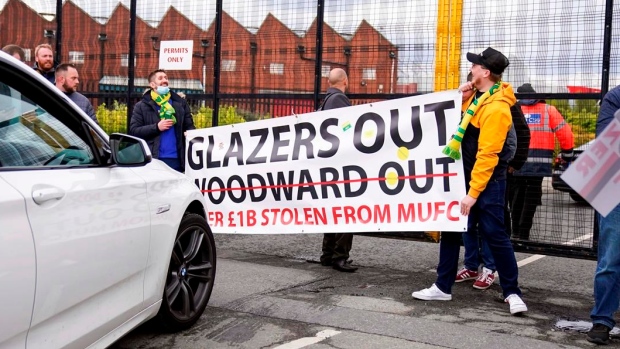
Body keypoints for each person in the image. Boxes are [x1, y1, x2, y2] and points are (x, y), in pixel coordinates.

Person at [412, 47, 527, 315]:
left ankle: (512, 293)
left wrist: (473, 193)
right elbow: (460, 122)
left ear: (485, 72)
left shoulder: (497, 107)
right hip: (464, 177)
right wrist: (461, 95)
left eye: (475, 66)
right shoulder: (477, 98)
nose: (471, 69)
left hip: (487, 182)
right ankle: (442, 287)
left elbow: (488, 154)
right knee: (451, 230)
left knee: (495, 235)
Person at [456, 73, 531, 290]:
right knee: (467, 223)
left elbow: (515, 136)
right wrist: (461, 98)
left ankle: (490, 268)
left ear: (485, 75)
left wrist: (511, 163)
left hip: (492, 175)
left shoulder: (501, 103)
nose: (470, 79)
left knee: (491, 227)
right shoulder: (469, 101)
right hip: (467, 173)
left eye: (474, 71)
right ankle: (471, 265)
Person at [509, 83, 574, 240]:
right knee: (531, 199)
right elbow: (566, 133)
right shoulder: (548, 110)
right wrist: (567, 154)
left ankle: (514, 232)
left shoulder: (513, 110)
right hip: (539, 164)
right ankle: (524, 234)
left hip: (516, 162)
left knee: (516, 198)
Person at [586, 84, 620, 345]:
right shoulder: (616, 96)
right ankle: (602, 319)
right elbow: (606, 138)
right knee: (610, 257)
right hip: (614, 182)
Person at [318, 68, 357, 273]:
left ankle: (327, 255)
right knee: (346, 210)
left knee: (332, 208)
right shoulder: (340, 100)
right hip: (341, 165)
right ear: (346, 80)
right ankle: (339, 257)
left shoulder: (326, 101)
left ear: (329, 81)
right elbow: (346, 130)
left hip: (329, 165)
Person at [129, 69, 195, 172]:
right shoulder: (141, 106)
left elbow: (190, 126)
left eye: (166, 78)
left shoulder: (180, 103)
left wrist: (190, 133)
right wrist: (156, 127)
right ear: (152, 84)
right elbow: (134, 131)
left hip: (177, 160)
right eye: (160, 78)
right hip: (153, 160)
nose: (164, 80)